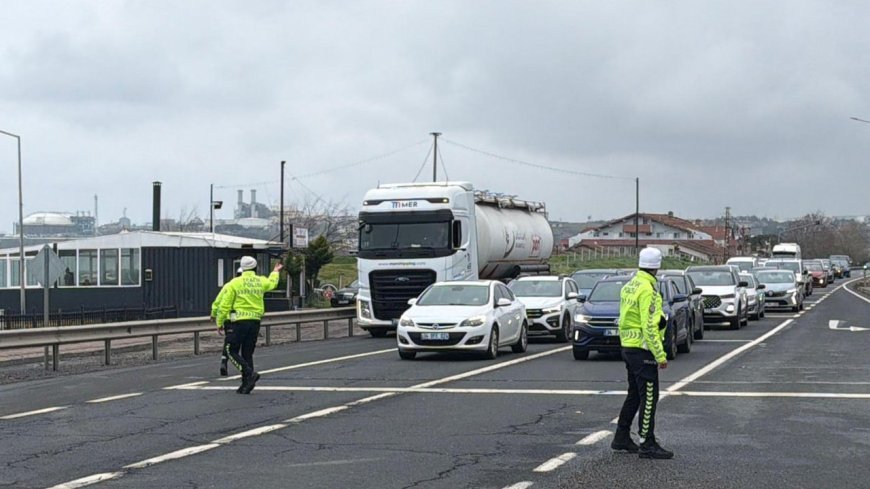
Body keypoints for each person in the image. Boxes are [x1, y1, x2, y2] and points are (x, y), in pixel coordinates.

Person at [611, 247, 674, 459]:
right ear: (657, 266)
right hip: (642, 348)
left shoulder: (630, 285)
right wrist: (660, 355)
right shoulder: (648, 289)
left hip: (628, 346)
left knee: (635, 394)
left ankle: (621, 437)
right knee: (649, 397)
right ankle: (647, 442)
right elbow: (649, 326)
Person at [216, 256, 282, 394]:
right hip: (255, 321)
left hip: (238, 321)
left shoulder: (234, 283)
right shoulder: (260, 281)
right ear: (255, 267)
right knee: (247, 353)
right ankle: (246, 384)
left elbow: (225, 304)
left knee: (231, 350)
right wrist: (275, 271)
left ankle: (249, 373)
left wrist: (220, 321)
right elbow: (272, 283)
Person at [211, 267, 243, 376]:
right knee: (243, 344)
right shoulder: (247, 287)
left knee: (229, 343)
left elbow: (218, 301)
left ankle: (224, 361)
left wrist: (214, 314)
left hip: (229, 320)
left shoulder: (229, 285)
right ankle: (246, 368)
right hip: (244, 319)